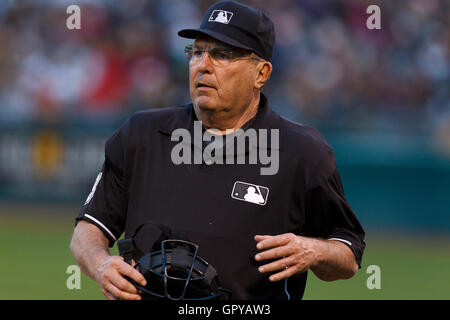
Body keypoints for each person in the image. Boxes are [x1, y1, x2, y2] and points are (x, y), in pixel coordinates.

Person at [70, 0, 365, 300]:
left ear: (261, 74)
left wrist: (314, 250)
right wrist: (101, 264)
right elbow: (88, 229)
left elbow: (348, 253)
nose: (203, 65)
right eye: (197, 52)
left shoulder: (302, 152)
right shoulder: (141, 135)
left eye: (222, 55)